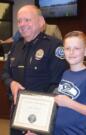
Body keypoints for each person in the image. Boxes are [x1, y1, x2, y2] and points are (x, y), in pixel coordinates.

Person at [1, 5, 68, 135]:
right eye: (19, 21)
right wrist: (12, 83)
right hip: (17, 113)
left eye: (27, 20)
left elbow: (57, 84)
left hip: (42, 117)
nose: (22, 24)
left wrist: (38, 123)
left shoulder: (54, 46)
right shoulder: (16, 46)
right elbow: (5, 73)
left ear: (41, 22)